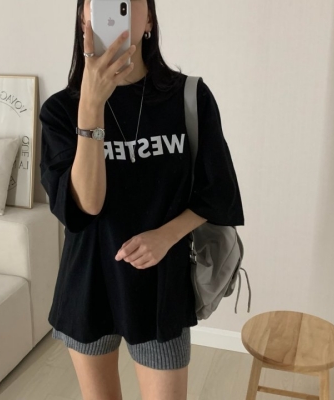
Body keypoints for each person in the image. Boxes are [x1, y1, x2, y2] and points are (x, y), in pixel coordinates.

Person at [39, 0, 245, 399]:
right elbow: (86, 206)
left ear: (148, 17)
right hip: (88, 286)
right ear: (83, 19)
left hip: (161, 289)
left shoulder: (189, 97)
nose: (112, 9)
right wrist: (91, 106)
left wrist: (166, 236)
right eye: (98, 3)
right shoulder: (61, 111)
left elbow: (219, 192)